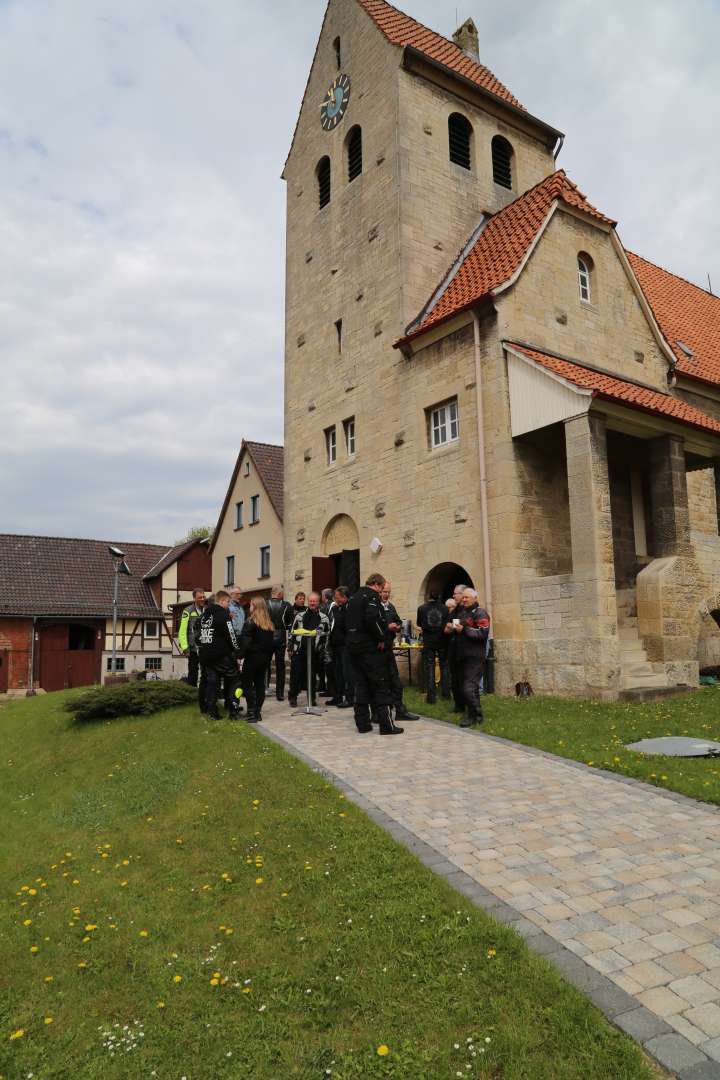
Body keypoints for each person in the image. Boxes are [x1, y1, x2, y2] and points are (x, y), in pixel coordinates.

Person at [346, 573, 403, 735]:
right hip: (369, 650)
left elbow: (348, 622)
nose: (381, 593)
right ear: (377, 585)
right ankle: (386, 725)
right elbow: (372, 620)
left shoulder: (354, 597)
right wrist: (382, 638)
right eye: (382, 589)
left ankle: (363, 724)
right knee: (381, 685)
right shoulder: (371, 597)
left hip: (353, 647)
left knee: (361, 685)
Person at [197, 590, 242, 720]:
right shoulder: (223, 614)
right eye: (228, 602)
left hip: (206, 655)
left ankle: (212, 712)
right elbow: (231, 635)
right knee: (235, 680)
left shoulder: (205, 615)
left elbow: (200, 635)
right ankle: (233, 710)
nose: (228, 605)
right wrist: (237, 651)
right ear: (222, 601)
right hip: (221, 655)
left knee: (212, 683)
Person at [380, 582, 419, 721]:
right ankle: (380, 713)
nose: (386, 594)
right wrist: (387, 627)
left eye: (388, 592)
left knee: (395, 681)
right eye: (384, 591)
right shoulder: (374, 607)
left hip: (389, 647)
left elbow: (398, 621)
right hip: (378, 649)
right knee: (380, 683)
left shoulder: (390, 606)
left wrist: (396, 626)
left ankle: (400, 710)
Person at [452, 588, 491, 727]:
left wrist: (465, 629)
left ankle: (475, 715)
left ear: (475, 598)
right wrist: (454, 625)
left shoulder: (481, 613)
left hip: (475, 657)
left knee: (468, 688)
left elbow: (482, 633)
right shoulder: (463, 611)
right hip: (462, 655)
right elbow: (456, 628)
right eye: (463, 598)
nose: (464, 600)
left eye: (467, 598)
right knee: (471, 688)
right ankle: (475, 716)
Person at [288, 592, 330, 708]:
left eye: (314, 601)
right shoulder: (299, 616)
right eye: (310, 601)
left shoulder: (324, 618)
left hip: (314, 652)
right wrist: (290, 647)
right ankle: (293, 697)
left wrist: (323, 650)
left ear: (318, 602)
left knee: (312, 676)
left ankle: (311, 699)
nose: (312, 603)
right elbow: (292, 631)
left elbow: (327, 635)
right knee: (295, 675)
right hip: (299, 650)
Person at [239, 597, 275, 723]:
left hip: (252, 658)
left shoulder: (250, 622)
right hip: (264, 658)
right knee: (260, 685)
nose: (249, 608)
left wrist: (239, 655)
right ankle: (257, 712)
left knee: (247, 685)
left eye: (251, 605)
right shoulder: (269, 624)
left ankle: (251, 712)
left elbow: (246, 642)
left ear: (254, 607)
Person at [417, 590, 451, 703]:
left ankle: (431, 697)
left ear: (428, 596)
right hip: (442, 641)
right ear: (439, 596)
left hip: (428, 642)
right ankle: (446, 695)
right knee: (445, 667)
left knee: (430, 667)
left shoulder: (421, 609)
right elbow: (447, 624)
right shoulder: (445, 608)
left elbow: (419, 624)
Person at [326, 586, 354, 707]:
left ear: (344, 597)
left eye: (337, 597)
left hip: (345, 646)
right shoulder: (338, 608)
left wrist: (337, 612)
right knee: (336, 672)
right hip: (335, 645)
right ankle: (337, 696)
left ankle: (350, 698)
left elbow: (345, 624)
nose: (335, 599)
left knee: (347, 673)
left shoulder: (350, 608)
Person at [445, 583, 470, 713]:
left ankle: (467, 705)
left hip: (464, 649)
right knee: (454, 679)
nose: (454, 595)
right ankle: (458, 705)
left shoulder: (467, 609)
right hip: (453, 648)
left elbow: (461, 626)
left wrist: (454, 625)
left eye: (456, 593)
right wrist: (453, 626)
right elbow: (446, 628)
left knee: (463, 679)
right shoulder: (454, 610)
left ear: (462, 594)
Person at [267, 586, 292, 701]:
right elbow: (289, 623)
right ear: (280, 594)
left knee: (265, 664)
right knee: (280, 665)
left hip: (266, 635)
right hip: (281, 636)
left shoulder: (265, 604)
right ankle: (280, 693)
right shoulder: (286, 605)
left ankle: (264, 688)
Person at [178, 588, 205, 687]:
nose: (202, 599)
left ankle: (203, 694)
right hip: (193, 648)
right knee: (193, 672)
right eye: (200, 597)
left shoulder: (206, 610)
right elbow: (182, 630)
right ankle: (192, 693)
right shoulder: (187, 611)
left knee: (205, 673)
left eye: (203, 597)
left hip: (205, 647)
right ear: (194, 598)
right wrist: (185, 647)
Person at [317, 588, 336, 696]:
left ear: (325, 596)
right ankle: (329, 688)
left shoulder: (329, 606)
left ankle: (331, 689)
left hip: (329, 641)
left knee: (329, 666)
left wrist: (321, 636)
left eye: (322, 595)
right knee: (328, 666)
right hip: (328, 641)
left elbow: (327, 624)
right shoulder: (327, 606)